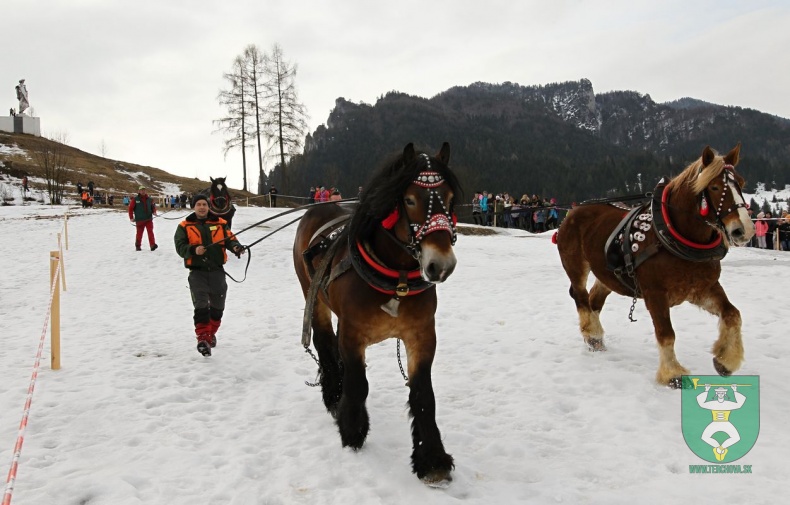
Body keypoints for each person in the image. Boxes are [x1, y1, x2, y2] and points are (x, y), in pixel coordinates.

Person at [174, 194, 245, 356]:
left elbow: (230, 240)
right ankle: (203, 339)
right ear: (193, 207)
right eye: (198, 204)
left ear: (208, 207)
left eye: (204, 204)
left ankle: (211, 334)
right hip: (197, 273)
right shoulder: (184, 226)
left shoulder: (220, 224)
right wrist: (193, 250)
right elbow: (180, 247)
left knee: (217, 308)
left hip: (217, 272)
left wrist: (236, 248)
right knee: (201, 306)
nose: (201, 207)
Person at [128, 185, 158, 251]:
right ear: (139, 191)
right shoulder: (135, 200)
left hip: (149, 219)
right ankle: (138, 246)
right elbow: (130, 209)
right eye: (141, 190)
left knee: (150, 232)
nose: (143, 191)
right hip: (139, 220)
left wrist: (154, 212)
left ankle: (152, 245)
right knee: (139, 233)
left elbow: (153, 207)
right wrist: (131, 217)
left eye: (144, 190)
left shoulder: (150, 199)